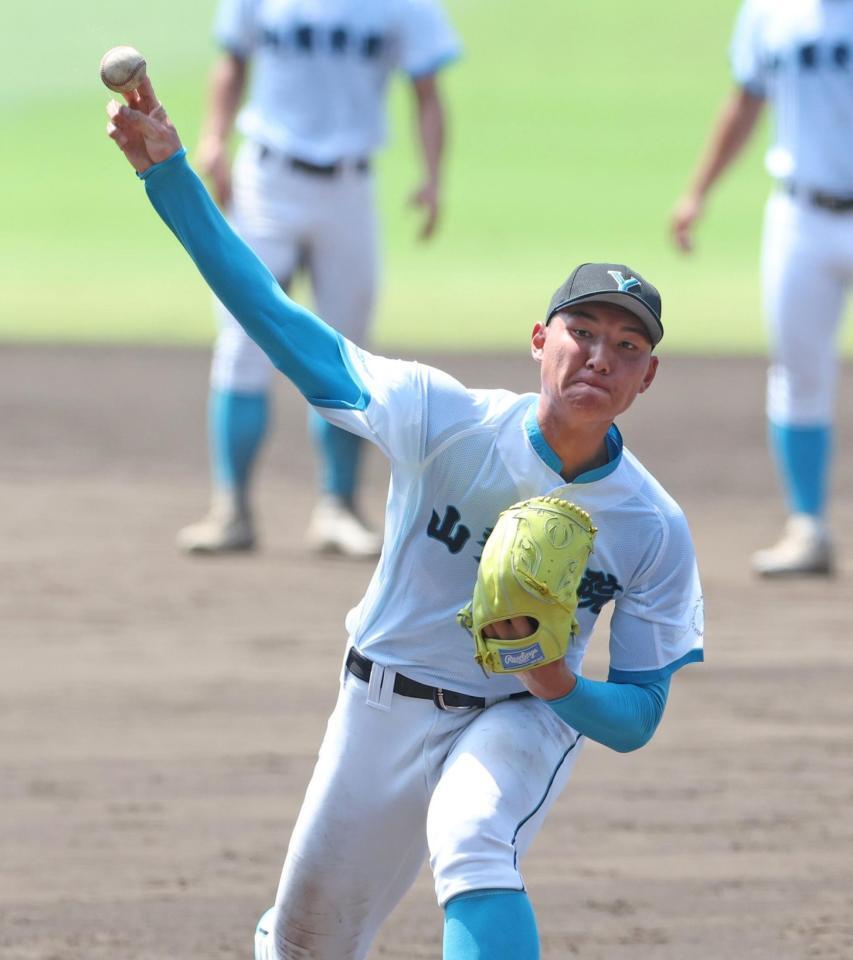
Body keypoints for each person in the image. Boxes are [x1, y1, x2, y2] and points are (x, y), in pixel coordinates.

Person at [106, 78, 705, 960]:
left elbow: (640, 714)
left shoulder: (651, 526)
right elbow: (281, 325)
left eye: (628, 347)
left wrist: (553, 684)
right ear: (540, 340)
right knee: (304, 944)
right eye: (583, 331)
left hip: (518, 715)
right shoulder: (440, 418)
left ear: (646, 377)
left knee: (472, 837)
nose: (601, 357)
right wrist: (171, 181)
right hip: (378, 699)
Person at [178, 0, 460, 558]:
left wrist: (432, 178)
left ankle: (337, 507)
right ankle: (230, 508)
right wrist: (214, 138)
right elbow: (231, 62)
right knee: (240, 342)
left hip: (349, 188)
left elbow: (427, 91)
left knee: (346, 352)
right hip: (265, 180)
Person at [670, 0, 853, 577]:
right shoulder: (769, 11)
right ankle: (807, 528)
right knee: (798, 370)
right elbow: (746, 100)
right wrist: (698, 191)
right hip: (800, 212)